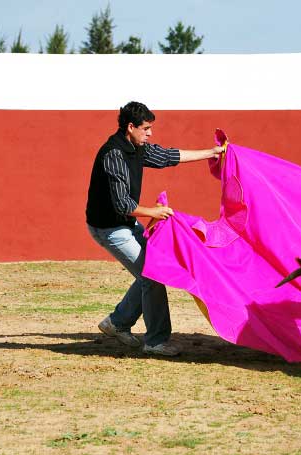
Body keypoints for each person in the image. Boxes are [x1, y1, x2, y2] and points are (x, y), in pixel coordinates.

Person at [86, 101, 222, 356]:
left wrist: (210, 153)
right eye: (146, 128)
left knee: (152, 272)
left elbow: (169, 156)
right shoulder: (113, 154)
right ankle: (156, 341)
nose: (150, 133)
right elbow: (122, 203)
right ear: (131, 127)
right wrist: (154, 212)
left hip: (124, 223)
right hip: (110, 228)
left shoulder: (136, 148)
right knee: (152, 275)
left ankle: (117, 323)